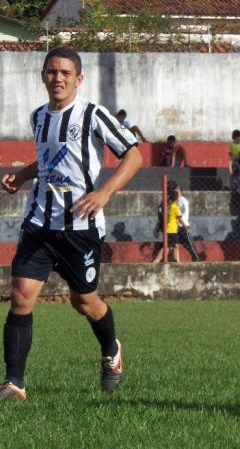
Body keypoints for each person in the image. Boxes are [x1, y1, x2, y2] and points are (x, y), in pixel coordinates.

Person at [0, 46, 142, 400]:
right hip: (39, 222)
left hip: (81, 227)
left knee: (85, 302)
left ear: (78, 79)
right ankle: (14, 382)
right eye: (52, 71)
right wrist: (22, 175)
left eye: (65, 73)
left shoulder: (93, 114)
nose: (58, 78)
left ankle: (111, 348)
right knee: (20, 295)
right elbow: (49, 161)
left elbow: (134, 155)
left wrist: (104, 193)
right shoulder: (38, 117)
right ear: (43, 76)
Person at [152, 188, 182, 263]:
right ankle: (176, 260)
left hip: (167, 227)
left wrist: (157, 228)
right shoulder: (171, 206)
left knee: (168, 246)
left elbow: (160, 218)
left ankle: (160, 259)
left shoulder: (165, 205)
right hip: (170, 228)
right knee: (173, 246)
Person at [175, 185, 199, 262]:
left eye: (177, 190)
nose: (176, 192)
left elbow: (182, 212)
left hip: (183, 225)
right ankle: (176, 260)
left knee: (188, 242)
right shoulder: (177, 200)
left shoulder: (182, 200)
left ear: (180, 192)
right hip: (178, 226)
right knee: (176, 243)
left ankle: (196, 257)